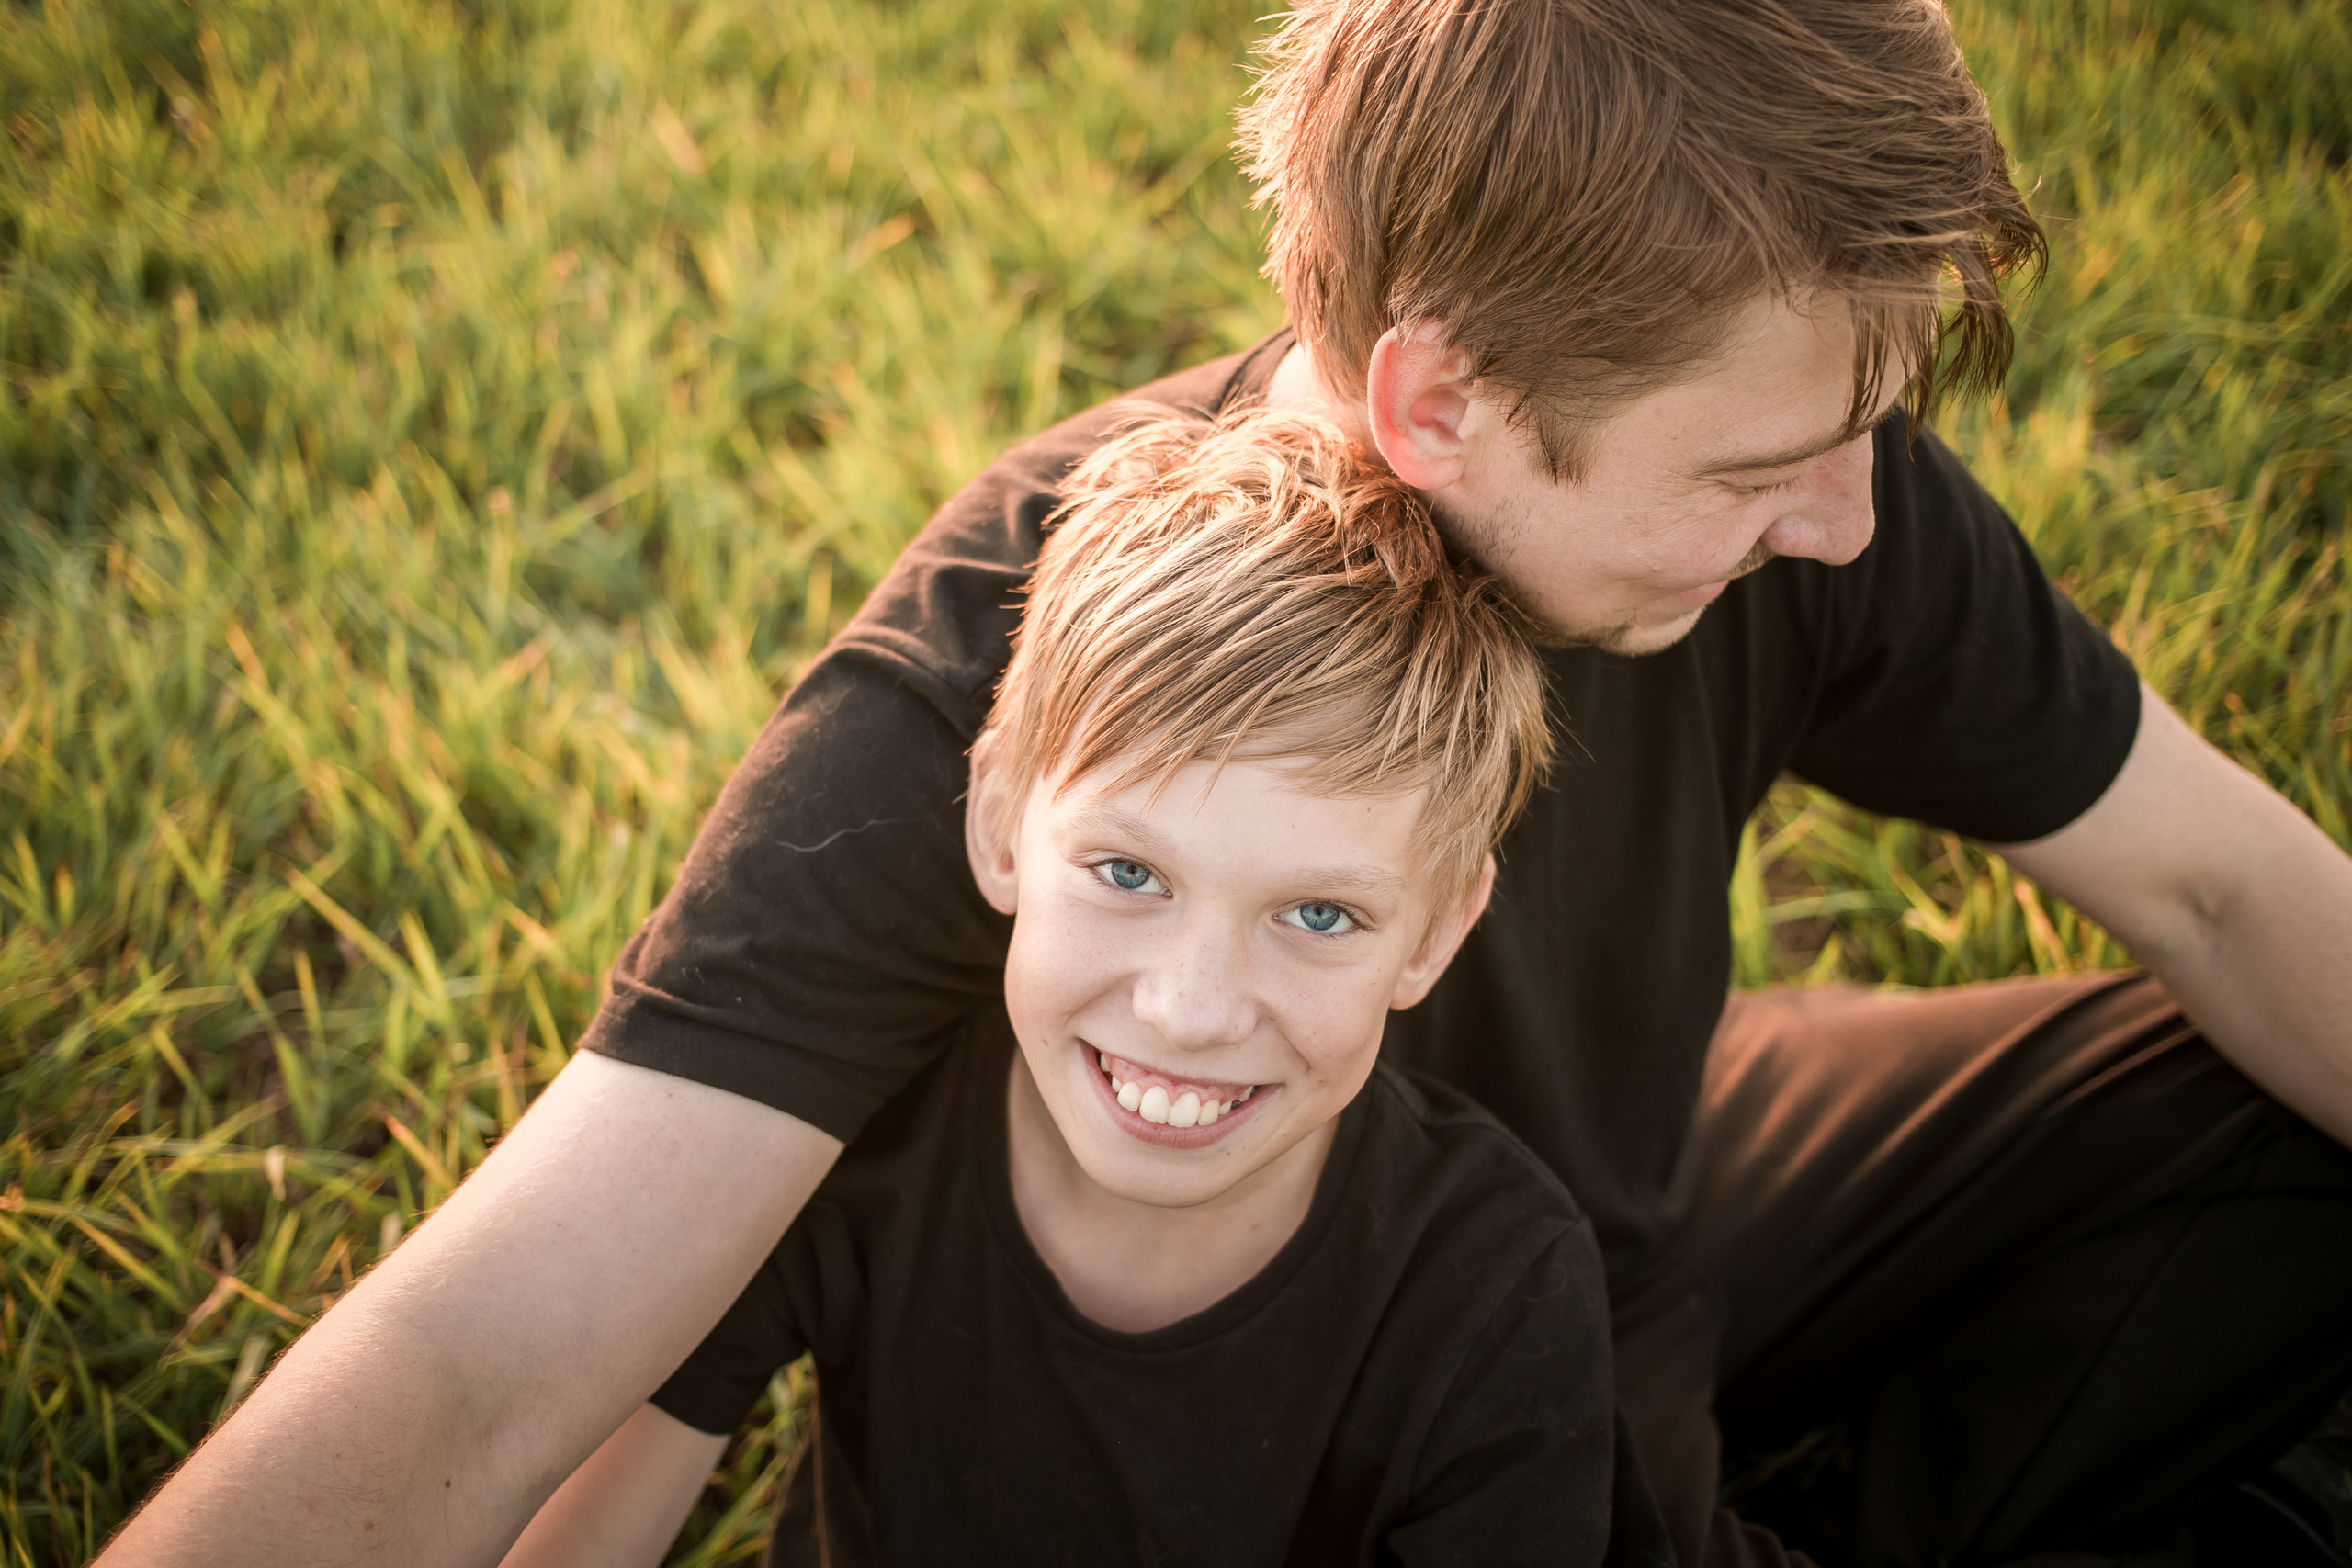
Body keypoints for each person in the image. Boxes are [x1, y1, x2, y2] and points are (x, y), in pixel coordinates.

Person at [98, 0, 2352, 1565]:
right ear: (1439, 400)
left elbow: (2229, 893)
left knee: (2265, 1118)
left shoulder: (1810, 490)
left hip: (1601, 1220)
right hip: (1268, 1347)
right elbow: (479, 1361)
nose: (1847, 524)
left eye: (1859, 438)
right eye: (1759, 465)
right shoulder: (1025, 678)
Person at [495, 407, 1667, 1567]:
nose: (1189, 1011)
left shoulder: (1497, 1296)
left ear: (1435, 935)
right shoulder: (849, 1148)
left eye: (1318, 915)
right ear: (999, 822)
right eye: (1128, 873)